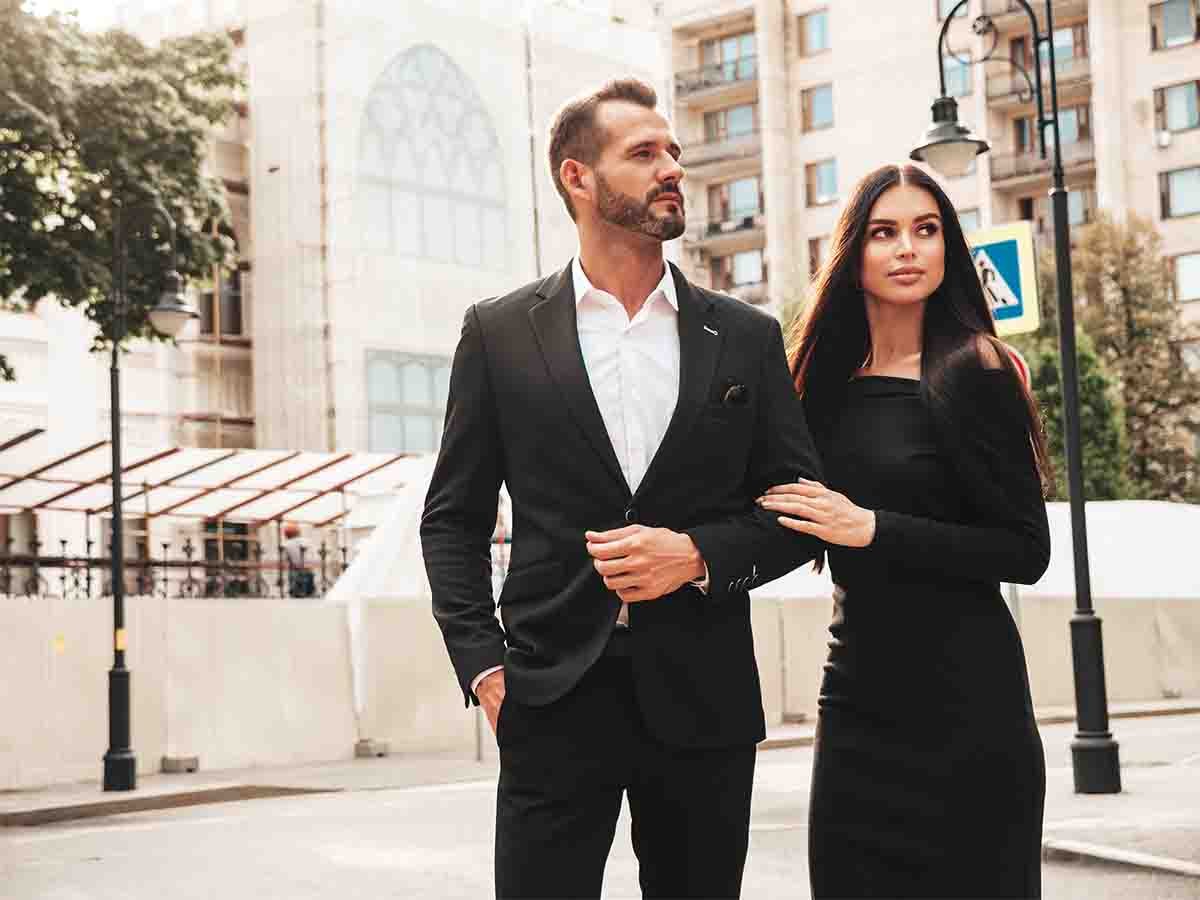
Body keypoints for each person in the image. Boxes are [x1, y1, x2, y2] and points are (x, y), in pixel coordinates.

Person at [420, 78, 823, 899]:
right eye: (643, 154)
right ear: (578, 178)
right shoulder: (499, 333)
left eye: (672, 151)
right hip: (550, 696)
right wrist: (485, 670)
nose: (671, 167)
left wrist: (699, 555)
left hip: (704, 700)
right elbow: (452, 520)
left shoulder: (743, 337)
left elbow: (802, 511)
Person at [760, 163, 1051, 898]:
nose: (907, 249)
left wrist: (872, 529)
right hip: (857, 699)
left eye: (926, 231)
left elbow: (1026, 548)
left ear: (948, 248)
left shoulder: (974, 368)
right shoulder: (820, 382)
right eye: (885, 233)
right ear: (853, 253)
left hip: (969, 709)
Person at [281, 522, 315, 598]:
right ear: (298, 532)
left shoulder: (286, 544)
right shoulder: (307, 541)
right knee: (309, 592)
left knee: (295, 592)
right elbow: (312, 555)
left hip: (295, 569)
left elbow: (285, 559)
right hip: (308, 569)